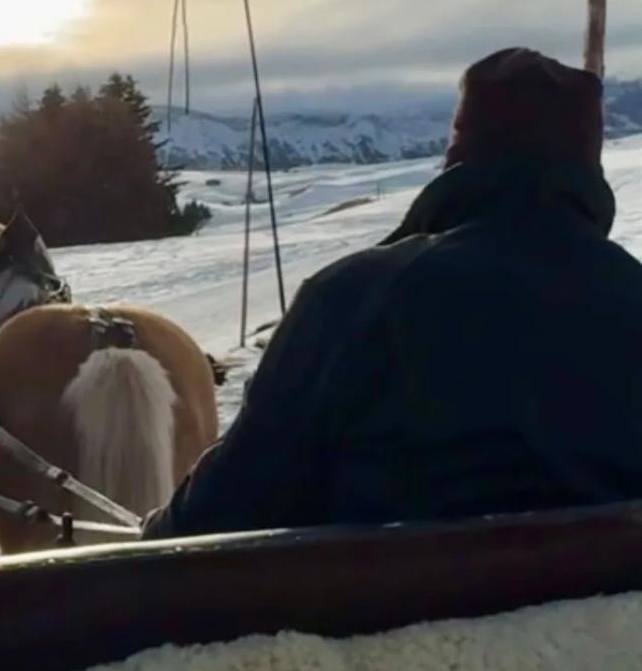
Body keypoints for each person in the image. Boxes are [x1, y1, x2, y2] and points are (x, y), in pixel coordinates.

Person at [142, 47, 642, 540]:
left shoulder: (355, 298)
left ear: (459, 154)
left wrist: (155, 530)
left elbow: (223, 512)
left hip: (384, 616)